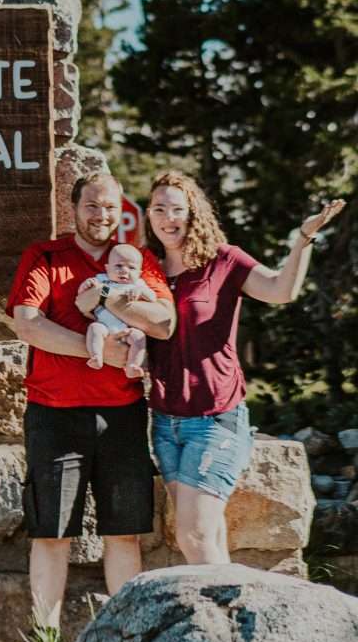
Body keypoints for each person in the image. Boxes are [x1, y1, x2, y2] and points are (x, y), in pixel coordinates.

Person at [144, 170, 345, 565]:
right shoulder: (146, 268)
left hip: (214, 418)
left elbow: (279, 291)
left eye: (177, 209)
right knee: (208, 531)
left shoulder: (224, 260)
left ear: (193, 213)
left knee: (194, 532)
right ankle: (229, 617)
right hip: (166, 422)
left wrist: (302, 239)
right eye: (159, 209)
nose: (168, 217)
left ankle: (215, 622)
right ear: (149, 216)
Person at [7, 173, 176, 629]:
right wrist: (96, 348)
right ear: (74, 208)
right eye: (92, 207)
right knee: (52, 533)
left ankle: (128, 641)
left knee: (124, 535)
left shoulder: (137, 259)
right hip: (55, 414)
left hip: (122, 415)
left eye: (109, 208)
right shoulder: (45, 256)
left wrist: (110, 299)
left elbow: (164, 323)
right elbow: (27, 323)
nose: (101, 216)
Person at [79, 242, 157, 378]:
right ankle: (96, 356)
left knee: (139, 338)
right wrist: (86, 285)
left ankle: (133, 365)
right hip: (104, 324)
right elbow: (82, 296)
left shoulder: (138, 284)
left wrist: (140, 292)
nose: (124, 270)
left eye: (131, 268)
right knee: (94, 329)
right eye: (119, 265)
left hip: (128, 327)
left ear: (139, 273)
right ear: (107, 269)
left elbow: (152, 298)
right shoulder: (102, 280)